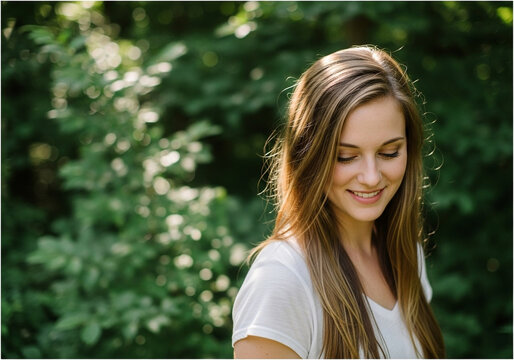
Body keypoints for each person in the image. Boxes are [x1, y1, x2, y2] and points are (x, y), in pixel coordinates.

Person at [231, 46, 445, 359]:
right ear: (309, 155)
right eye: (346, 156)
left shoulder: (405, 254)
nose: (371, 177)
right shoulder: (282, 281)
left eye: (389, 153)